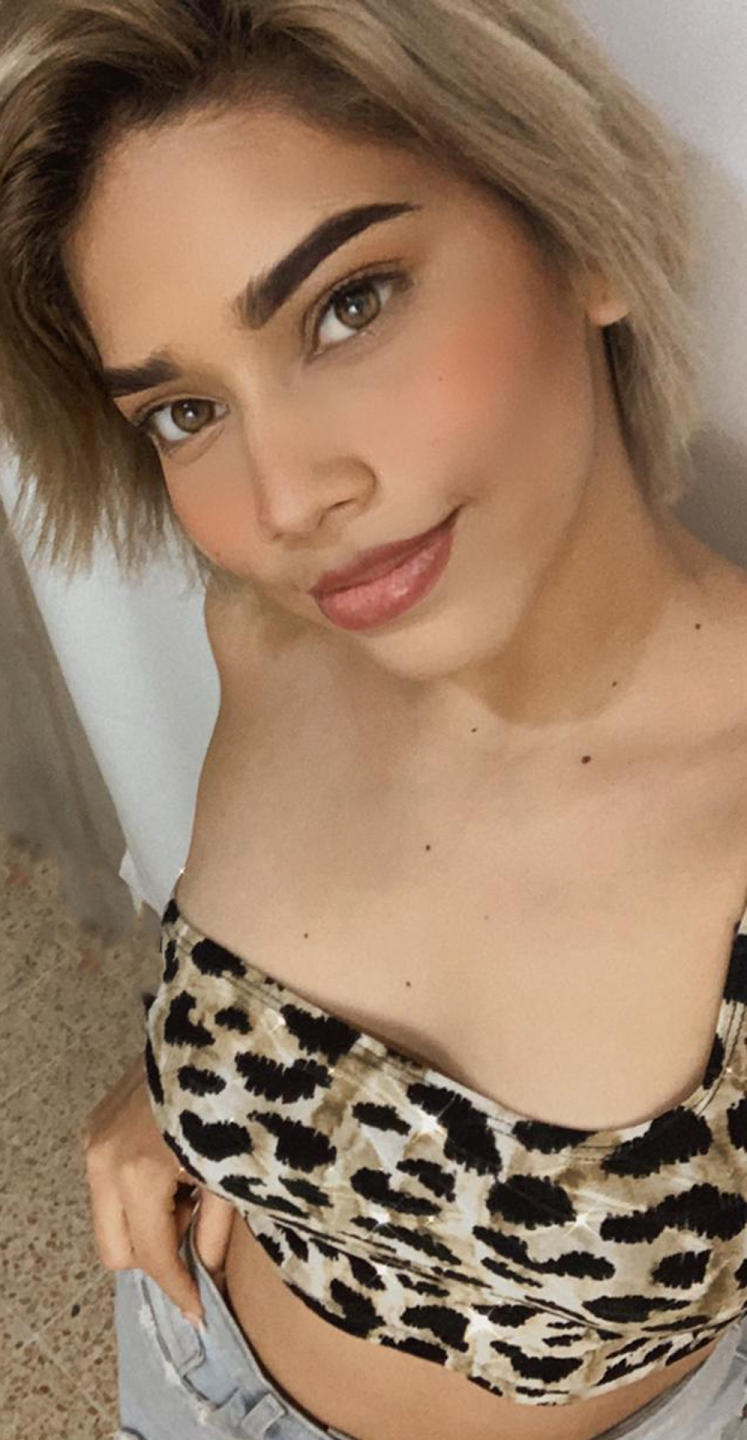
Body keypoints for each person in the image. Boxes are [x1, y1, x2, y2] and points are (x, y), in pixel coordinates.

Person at [1, 1, 746, 1437]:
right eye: (184, 412)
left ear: (577, 235)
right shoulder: (265, 641)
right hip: (194, 1372)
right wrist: (176, 1088)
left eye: (349, 306)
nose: (285, 503)